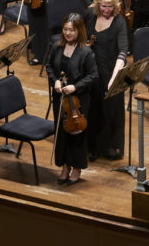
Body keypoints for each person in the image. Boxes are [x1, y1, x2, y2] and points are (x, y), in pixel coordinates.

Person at [46, 13, 98, 185]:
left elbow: (93, 75)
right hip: (60, 97)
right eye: (65, 29)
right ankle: (65, 166)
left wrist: (75, 86)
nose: (68, 33)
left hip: (78, 99)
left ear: (79, 30)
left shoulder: (86, 51)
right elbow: (49, 66)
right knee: (61, 132)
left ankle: (77, 168)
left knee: (77, 134)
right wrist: (55, 81)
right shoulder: (57, 46)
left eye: (72, 30)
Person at [85, 0, 128, 161]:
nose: (107, 10)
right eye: (103, 6)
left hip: (110, 71)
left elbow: (123, 52)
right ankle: (92, 147)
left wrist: (114, 78)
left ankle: (110, 147)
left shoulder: (119, 22)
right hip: (92, 71)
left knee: (111, 111)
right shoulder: (90, 16)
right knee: (93, 110)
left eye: (110, 6)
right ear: (97, 4)